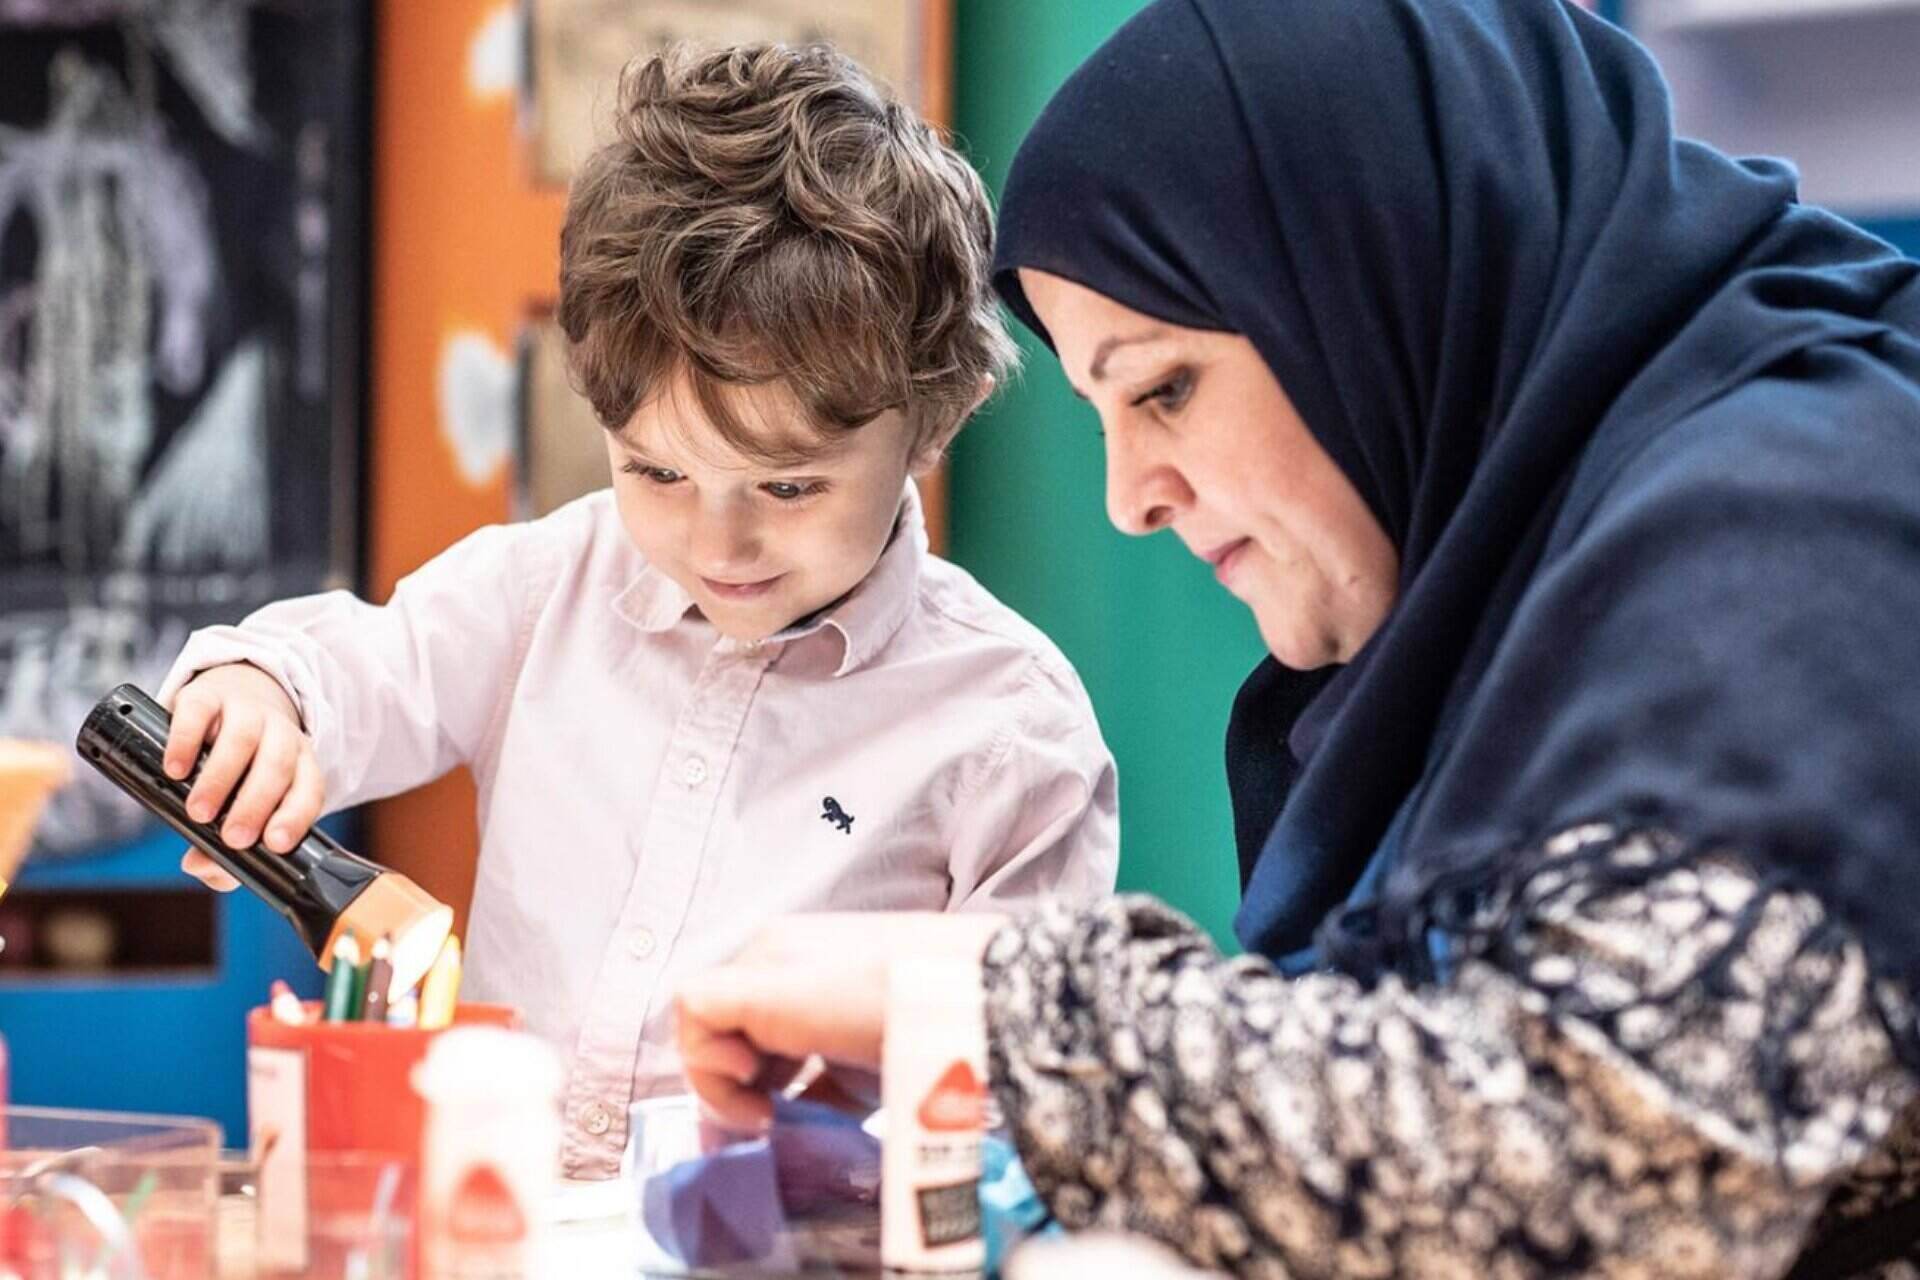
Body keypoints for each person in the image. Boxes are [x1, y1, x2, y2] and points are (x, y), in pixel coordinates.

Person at [674, 1, 1920, 1273]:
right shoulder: (1521, 607)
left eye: (1163, 386)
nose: (1129, 497)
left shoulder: (1797, 527)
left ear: (1382, 268)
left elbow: (1618, 1148)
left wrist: (989, 1001)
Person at [156, 44, 1118, 1177]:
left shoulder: (1007, 727)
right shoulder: (546, 590)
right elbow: (363, 667)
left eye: (790, 485)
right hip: (509, 1233)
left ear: (931, 422)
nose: (719, 544)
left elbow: (1030, 1072)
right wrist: (261, 691)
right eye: (657, 473)